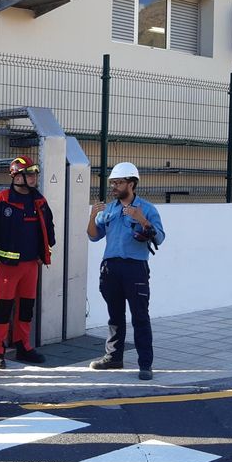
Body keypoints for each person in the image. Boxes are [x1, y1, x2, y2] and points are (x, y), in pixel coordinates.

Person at [87, 162, 165, 381]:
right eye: (112, 182)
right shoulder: (109, 209)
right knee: (115, 316)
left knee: (140, 316)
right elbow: (93, 236)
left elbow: (159, 237)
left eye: (118, 182)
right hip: (111, 268)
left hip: (135, 269)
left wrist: (141, 219)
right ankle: (114, 358)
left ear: (131, 184)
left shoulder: (147, 208)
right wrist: (92, 216)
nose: (114, 186)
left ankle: (145, 364)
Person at [0, 156, 55, 369]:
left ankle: (23, 346)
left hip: (31, 265)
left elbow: (49, 227)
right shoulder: (1, 199)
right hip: (7, 267)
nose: (34, 178)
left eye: (35, 174)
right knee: (3, 309)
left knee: (26, 308)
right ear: (17, 176)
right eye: (30, 174)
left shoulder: (39, 201)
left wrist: (45, 252)